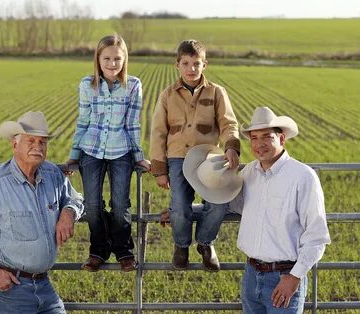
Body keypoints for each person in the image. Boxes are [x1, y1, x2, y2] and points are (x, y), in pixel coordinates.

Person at [0, 111, 84, 314]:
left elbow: (75, 198)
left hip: (44, 286)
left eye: (42, 142)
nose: (38, 147)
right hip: (9, 290)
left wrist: (69, 212)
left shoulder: (53, 175)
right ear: (14, 144)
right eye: (31, 141)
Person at [149, 39, 240, 271]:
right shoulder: (167, 95)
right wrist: (159, 169)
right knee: (179, 206)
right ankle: (181, 245)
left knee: (218, 204)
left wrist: (231, 146)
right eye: (186, 63)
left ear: (205, 65)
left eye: (196, 63)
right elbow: (158, 132)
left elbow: (229, 123)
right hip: (178, 158)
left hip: (208, 159)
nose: (191, 69)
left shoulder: (217, 92)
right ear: (177, 65)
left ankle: (205, 243)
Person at [66, 34, 150, 272]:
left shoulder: (133, 85)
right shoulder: (87, 85)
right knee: (92, 206)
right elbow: (83, 121)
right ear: (98, 59)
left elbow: (133, 124)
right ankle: (99, 250)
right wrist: (74, 156)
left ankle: (124, 251)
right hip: (90, 150)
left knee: (121, 205)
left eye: (117, 59)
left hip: (121, 150)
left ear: (124, 60)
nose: (112, 64)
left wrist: (138, 156)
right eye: (107, 58)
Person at [236, 106, 331, 313]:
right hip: (251, 275)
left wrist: (294, 277)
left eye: (266, 137)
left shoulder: (302, 176)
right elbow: (226, 204)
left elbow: (317, 236)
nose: (259, 144)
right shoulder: (248, 173)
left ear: (281, 139)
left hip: (284, 277)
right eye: (253, 138)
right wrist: (180, 212)